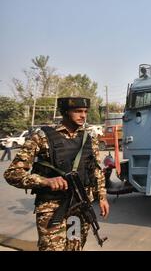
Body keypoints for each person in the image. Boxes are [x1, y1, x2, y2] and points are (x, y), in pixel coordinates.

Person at [3, 97, 110, 251]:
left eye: (85, 112)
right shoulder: (42, 137)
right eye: (78, 111)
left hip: (80, 207)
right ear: (65, 112)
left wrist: (102, 197)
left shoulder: (89, 139)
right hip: (52, 209)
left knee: (75, 248)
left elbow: (95, 170)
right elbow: (12, 173)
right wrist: (45, 181)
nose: (83, 115)